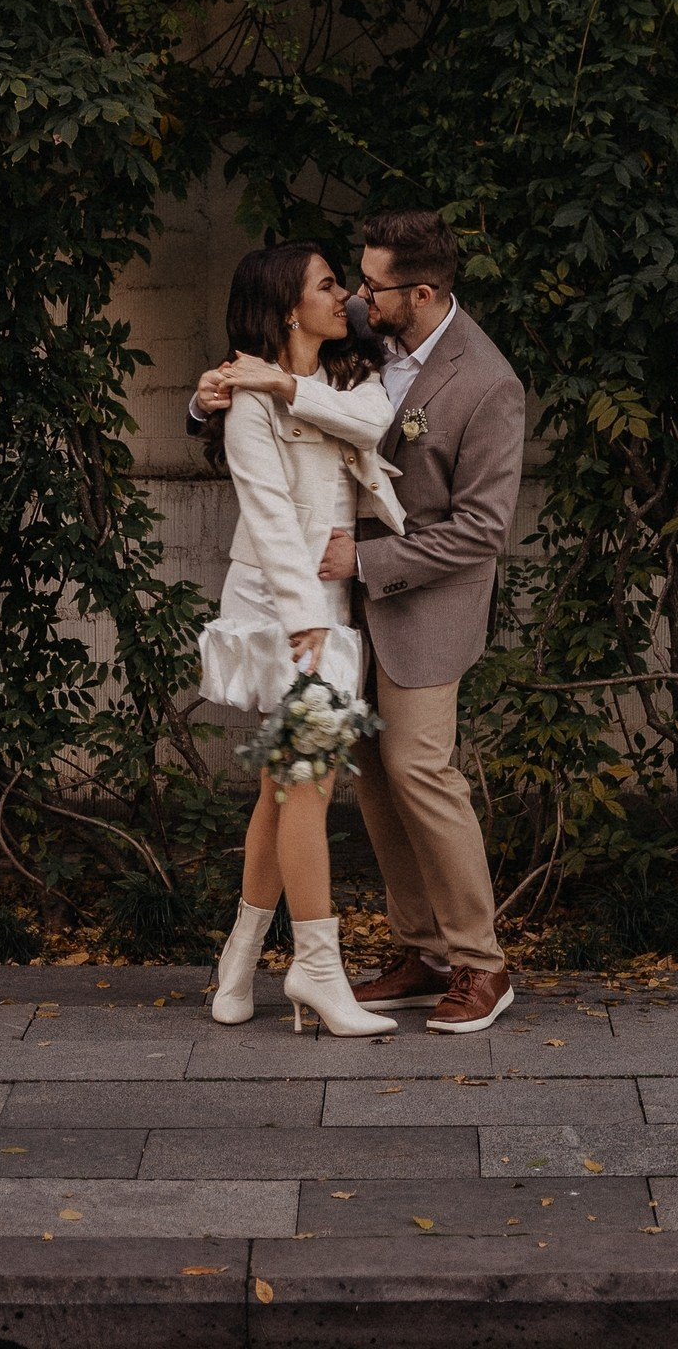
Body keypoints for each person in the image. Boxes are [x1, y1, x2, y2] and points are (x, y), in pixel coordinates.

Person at [194, 209, 527, 1036]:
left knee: (417, 769)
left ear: (417, 294)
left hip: (414, 598)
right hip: (329, 607)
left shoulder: (487, 383)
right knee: (353, 780)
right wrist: (210, 404)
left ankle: (480, 962)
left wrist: (366, 565)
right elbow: (261, 386)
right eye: (343, 280)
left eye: (367, 284)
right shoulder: (352, 328)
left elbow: (484, 528)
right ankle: (415, 952)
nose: (349, 297)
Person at [197, 241, 407, 1037]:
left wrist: (288, 383)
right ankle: (318, 968)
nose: (344, 297)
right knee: (310, 785)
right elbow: (271, 519)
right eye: (327, 286)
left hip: (326, 607)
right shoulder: (244, 399)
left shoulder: (346, 380)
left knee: (283, 789)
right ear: (289, 306)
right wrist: (304, 617)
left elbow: (376, 421)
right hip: (281, 608)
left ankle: (243, 954)